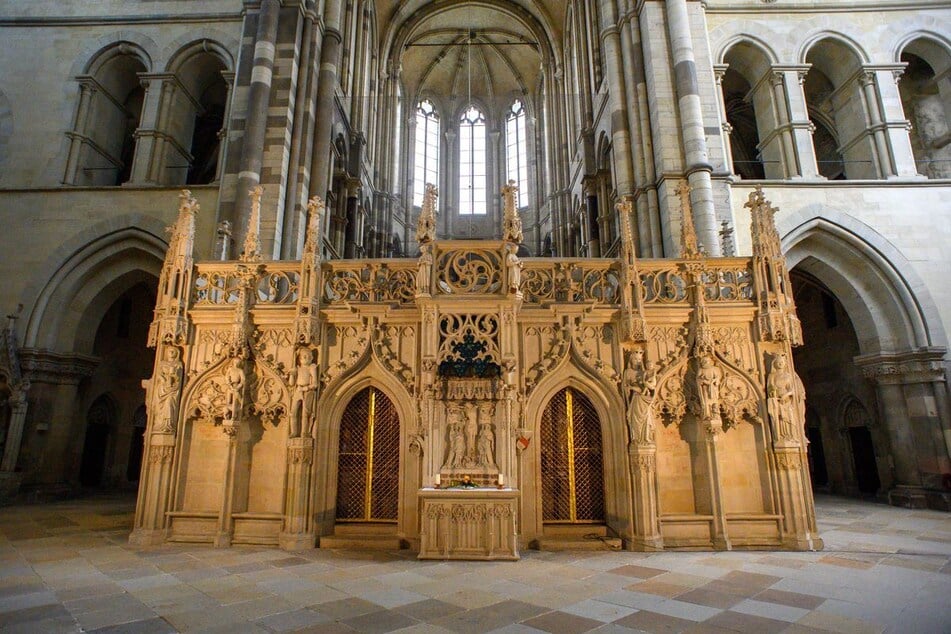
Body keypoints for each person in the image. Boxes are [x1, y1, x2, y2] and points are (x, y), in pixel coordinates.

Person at [289, 348, 318, 438]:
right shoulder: (298, 368)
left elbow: (315, 383)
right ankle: (294, 432)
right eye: (304, 356)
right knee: (293, 412)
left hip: (307, 391)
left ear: (312, 357)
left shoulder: (311, 368)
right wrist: (292, 374)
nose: (307, 358)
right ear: (300, 359)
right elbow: (291, 383)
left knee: (305, 413)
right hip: (298, 390)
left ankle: (304, 433)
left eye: (309, 356)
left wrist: (306, 388)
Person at [156, 347, 184, 433]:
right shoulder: (162, 363)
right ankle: (161, 424)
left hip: (173, 389)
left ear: (177, 353)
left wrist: (174, 376)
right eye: (169, 351)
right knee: (162, 406)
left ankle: (168, 424)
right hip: (163, 388)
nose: (171, 352)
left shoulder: (178, 364)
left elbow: (179, 377)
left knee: (170, 403)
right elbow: (159, 374)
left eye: (173, 351)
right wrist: (164, 379)